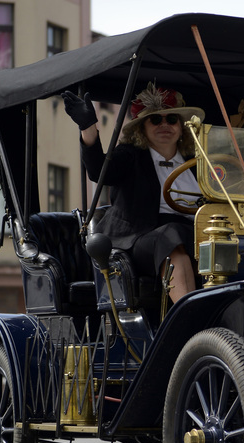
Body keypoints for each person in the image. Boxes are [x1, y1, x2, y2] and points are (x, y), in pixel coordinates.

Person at [62, 83, 204, 304]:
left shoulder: (198, 162)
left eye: (172, 119)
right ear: (142, 127)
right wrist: (88, 126)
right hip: (139, 235)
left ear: (182, 126)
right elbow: (98, 171)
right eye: (156, 120)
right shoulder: (129, 156)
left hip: (192, 233)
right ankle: (189, 319)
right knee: (173, 238)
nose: (164, 125)